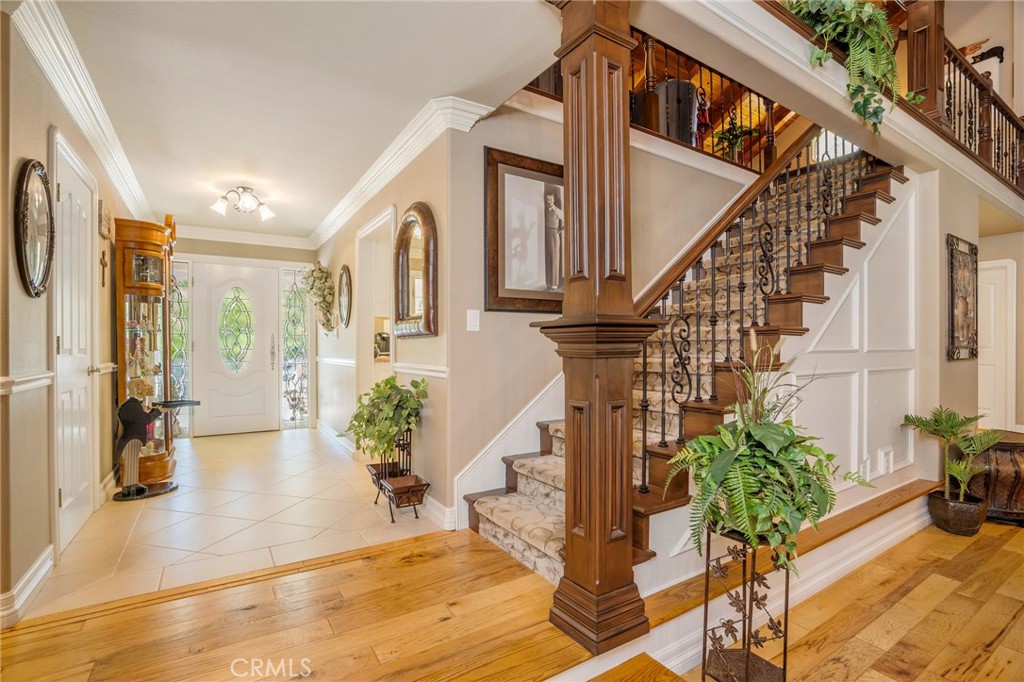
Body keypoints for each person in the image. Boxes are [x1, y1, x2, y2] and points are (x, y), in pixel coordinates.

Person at [543, 184, 564, 291]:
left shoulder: (557, 210)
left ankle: (555, 283)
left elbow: (567, 221)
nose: (549, 201)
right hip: (545, 233)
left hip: (554, 234)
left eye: (551, 199)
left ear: (554, 200)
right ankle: (548, 281)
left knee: (555, 258)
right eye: (547, 199)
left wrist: (560, 230)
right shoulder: (545, 209)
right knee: (547, 258)